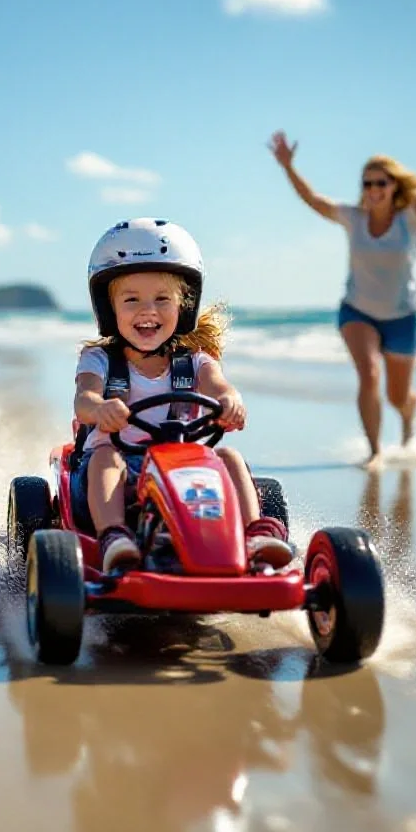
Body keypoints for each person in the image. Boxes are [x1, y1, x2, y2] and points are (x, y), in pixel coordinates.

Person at [72, 218, 292, 575]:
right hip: (116, 475)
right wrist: (100, 409)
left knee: (229, 457)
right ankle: (115, 538)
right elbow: (84, 400)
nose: (148, 311)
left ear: (183, 306)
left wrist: (230, 402)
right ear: (109, 308)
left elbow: (220, 387)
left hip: (183, 470)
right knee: (104, 457)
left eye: (162, 299)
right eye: (132, 300)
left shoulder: (195, 362)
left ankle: (256, 534)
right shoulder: (100, 360)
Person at [269, 111, 416, 467]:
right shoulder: (352, 218)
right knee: (369, 373)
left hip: (403, 316)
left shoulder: (410, 221)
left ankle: (408, 417)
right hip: (358, 311)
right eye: (367, 184)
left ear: (394, 186)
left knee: (397, 396)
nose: (373, 190)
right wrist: (288, 167)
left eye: (381, 183)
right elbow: (314, 200)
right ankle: (375, 452)